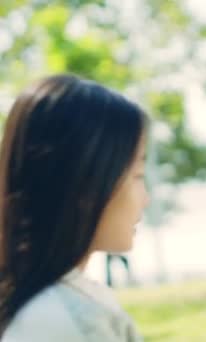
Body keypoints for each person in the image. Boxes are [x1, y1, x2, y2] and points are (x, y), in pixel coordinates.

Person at [0, 74, 149, 341]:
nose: (145, 198)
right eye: (137, 175)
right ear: (86, 188)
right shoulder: (59, 321)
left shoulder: (63, 301)